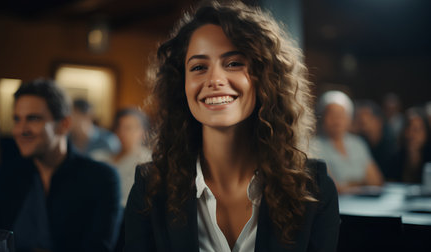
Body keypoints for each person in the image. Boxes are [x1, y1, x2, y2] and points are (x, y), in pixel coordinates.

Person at [124, 1, 339, 251]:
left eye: (234, 63)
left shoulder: (313, 188)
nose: (214, 79)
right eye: (198, 67)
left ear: (266, 78)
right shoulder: (150, 188)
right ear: (181, 86)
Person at [0, 79, 121, 252]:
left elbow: (99, 248)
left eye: (33, 119)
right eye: (17, 119)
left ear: (64, 124)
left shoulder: (101, 178)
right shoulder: (7, 176)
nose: (21, 130)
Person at [312, 91, 384, 193]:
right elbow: (333, 188)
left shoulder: (358, 143)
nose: (337, 120)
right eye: (331, 115)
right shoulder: (313, 146)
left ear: (349, 118)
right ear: (322, 118)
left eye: (341, 115)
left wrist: (349, 185)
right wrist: (363, 183)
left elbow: (377, 182)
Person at [95, 107, 152, 207]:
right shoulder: (100, 157)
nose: (123, 132)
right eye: (119, 127)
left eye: (129, 128)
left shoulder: (147, 160)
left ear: (142, 133)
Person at [352, 100, 396, 179]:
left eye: (366, 115)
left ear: (378, 121)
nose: (362, 119)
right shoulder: (360, 142)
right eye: (359, 116)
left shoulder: (391, 145)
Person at [389, 107, 431, 183]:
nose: (411, 134)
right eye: (408, 128)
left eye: (416, 130)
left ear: (426, 133)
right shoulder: (396, 156)